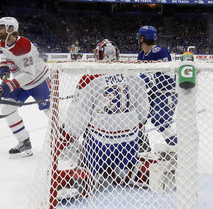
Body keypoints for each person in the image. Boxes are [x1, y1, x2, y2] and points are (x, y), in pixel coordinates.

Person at [55, 40, 151, 197]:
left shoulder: (90, 77)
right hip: (130, 140)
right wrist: (136, 125)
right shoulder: (131, 73)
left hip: (100, 143)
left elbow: (78, 117)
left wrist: (65, 138)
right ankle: (126, 171)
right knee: (124, 161)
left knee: (86, 165)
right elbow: (143, 108)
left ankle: (89, 178)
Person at [0, 16, 50, 158]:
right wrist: (4, 67)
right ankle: (24, 142)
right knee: (7, 109)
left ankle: (70, 144)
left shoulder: (23, 47)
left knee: (51, 113)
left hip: (39, 82)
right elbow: (6, 56)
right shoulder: (3, 42)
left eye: (1, 28)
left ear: (10, 29)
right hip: (23, 82)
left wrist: (8, 85)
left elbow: (29, 75)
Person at [136, 26, 178, 148]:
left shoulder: (160, 51)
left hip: (166, 92)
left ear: (142, 37)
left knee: (160, 121)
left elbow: (168, 77)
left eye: (140, 36)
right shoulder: (141, 55)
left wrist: (148, 80)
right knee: (137, 118)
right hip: (152, 93)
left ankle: (177, 148)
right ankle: (144, 149)